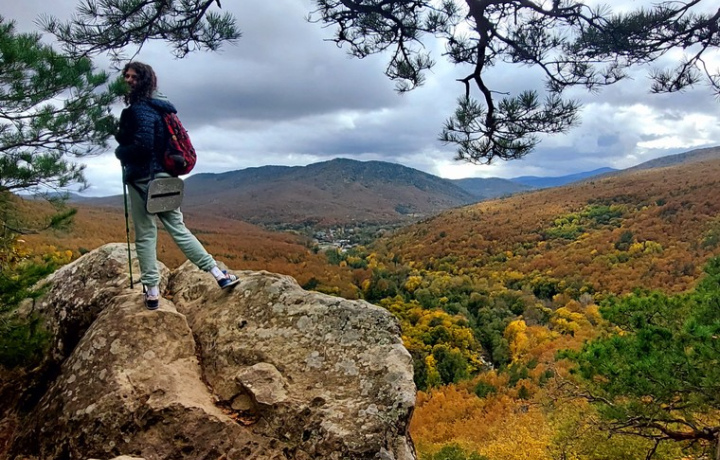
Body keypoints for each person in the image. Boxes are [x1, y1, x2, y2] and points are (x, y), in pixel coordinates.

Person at [115, 61, 239, 310]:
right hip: (166, 178)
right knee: (179, 229)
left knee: (146, 234)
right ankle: (218, 274)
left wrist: (121, 151)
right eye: (126, 76)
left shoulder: (138, 109)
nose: (128, 80)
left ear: (143, 80)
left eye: (133, 77)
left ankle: (152, 292)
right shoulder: (163, 108)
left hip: (143, 179)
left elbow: (143, 146)